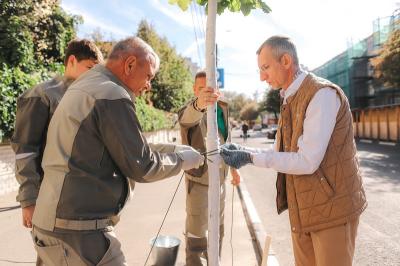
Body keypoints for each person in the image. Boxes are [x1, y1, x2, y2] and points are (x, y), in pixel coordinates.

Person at [30, 37, 204, 265]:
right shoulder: (112, 94)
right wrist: (183, 160)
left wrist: (175, 149)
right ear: (130, 64)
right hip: (77, 231)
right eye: (149, 76)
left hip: (53, 223)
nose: (149, 85)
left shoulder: (89, 84)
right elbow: (143, 165)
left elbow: (132, 147)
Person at [220, 36, 367, 266]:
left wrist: (249, 157)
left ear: (286, 60)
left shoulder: (322, 94)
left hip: (332, 211)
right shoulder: (289, 97)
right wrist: (243, 149)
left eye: (265, 68)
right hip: (303, 211)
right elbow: (279, 152)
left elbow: (307, 161)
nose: (262, 77)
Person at [12, 39, 104, 229]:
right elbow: (25, 150)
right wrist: (29, 200)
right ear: (71, 61)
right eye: (90, 67)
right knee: (50, 253)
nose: (94, 75)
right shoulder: (42, 95)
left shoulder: (90, 97)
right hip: (51, 200)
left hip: (85, 200)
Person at [178, 71, 240, 266]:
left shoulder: (222, 109)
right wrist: (199, 104)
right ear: (195, 90)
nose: (206, 93)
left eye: (210, 89)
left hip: (220, 184)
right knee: (197, 237)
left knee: (217, 232)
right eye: (201, 89)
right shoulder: (189, 109)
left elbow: (227, 140)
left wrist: (234, 169)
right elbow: (186, 119)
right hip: (198, 186)